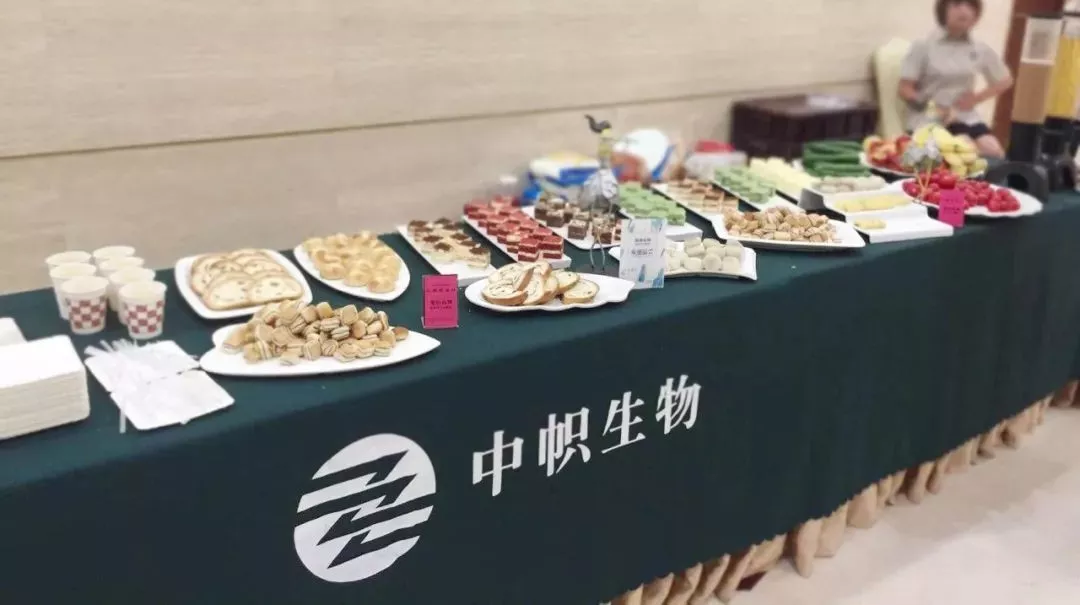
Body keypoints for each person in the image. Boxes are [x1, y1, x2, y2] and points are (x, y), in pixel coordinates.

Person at [898, 0, 1013, 157]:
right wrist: (932, 107)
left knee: (994, 151)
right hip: (928, 118)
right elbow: (904, 89)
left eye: (970, 6)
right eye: (957, 4)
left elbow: (1005, 80)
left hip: (964, 116)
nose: (964, 10)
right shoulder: (923, 45)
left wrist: (976, 98)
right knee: (967, 150)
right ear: (943, 10)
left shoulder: (979, 48)